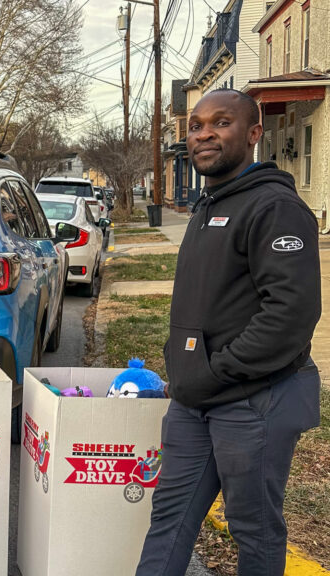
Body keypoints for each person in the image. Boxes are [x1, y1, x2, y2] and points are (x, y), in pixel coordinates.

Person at [136, 89, 322, 576]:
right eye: (196, 125)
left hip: (253, 401)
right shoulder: (208, 205)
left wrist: (215, 371)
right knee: (169, 519)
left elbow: (291, 315)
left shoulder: (275, 208)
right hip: (195, 403)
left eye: (221, 123)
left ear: (254, 133)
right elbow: (205, 303)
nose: (204, 134)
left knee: (254, 529)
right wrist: (180, 363)